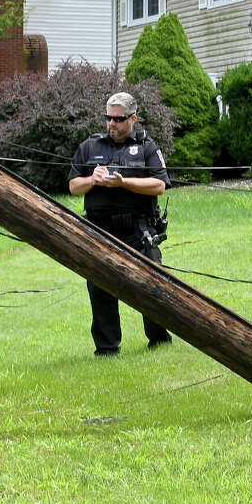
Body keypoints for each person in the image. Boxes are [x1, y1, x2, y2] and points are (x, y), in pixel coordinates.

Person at [68, 92, 173, 356]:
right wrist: (92, 180)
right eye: (108, 118)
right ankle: (106, 349)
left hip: (137, 230)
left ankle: (159, 341)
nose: (112, 124)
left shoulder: (147, 147)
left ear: (133, 118)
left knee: (150, 285)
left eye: (118, 119)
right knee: (101, 286)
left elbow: (159, 185)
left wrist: (124, 182)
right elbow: (73, 186)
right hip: (99, 228)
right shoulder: (90, 147)